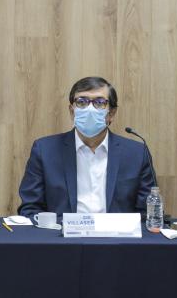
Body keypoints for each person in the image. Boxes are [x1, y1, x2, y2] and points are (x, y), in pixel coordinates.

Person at [17, 76, 153, 218]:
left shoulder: (136, 154)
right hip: (62, 231)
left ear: (111, 113)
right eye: (82, 102)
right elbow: (31, 208)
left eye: (99, 102)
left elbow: (148, 213)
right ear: (72, 111)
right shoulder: (45, 150)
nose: (90, 109)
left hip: (116, 232)